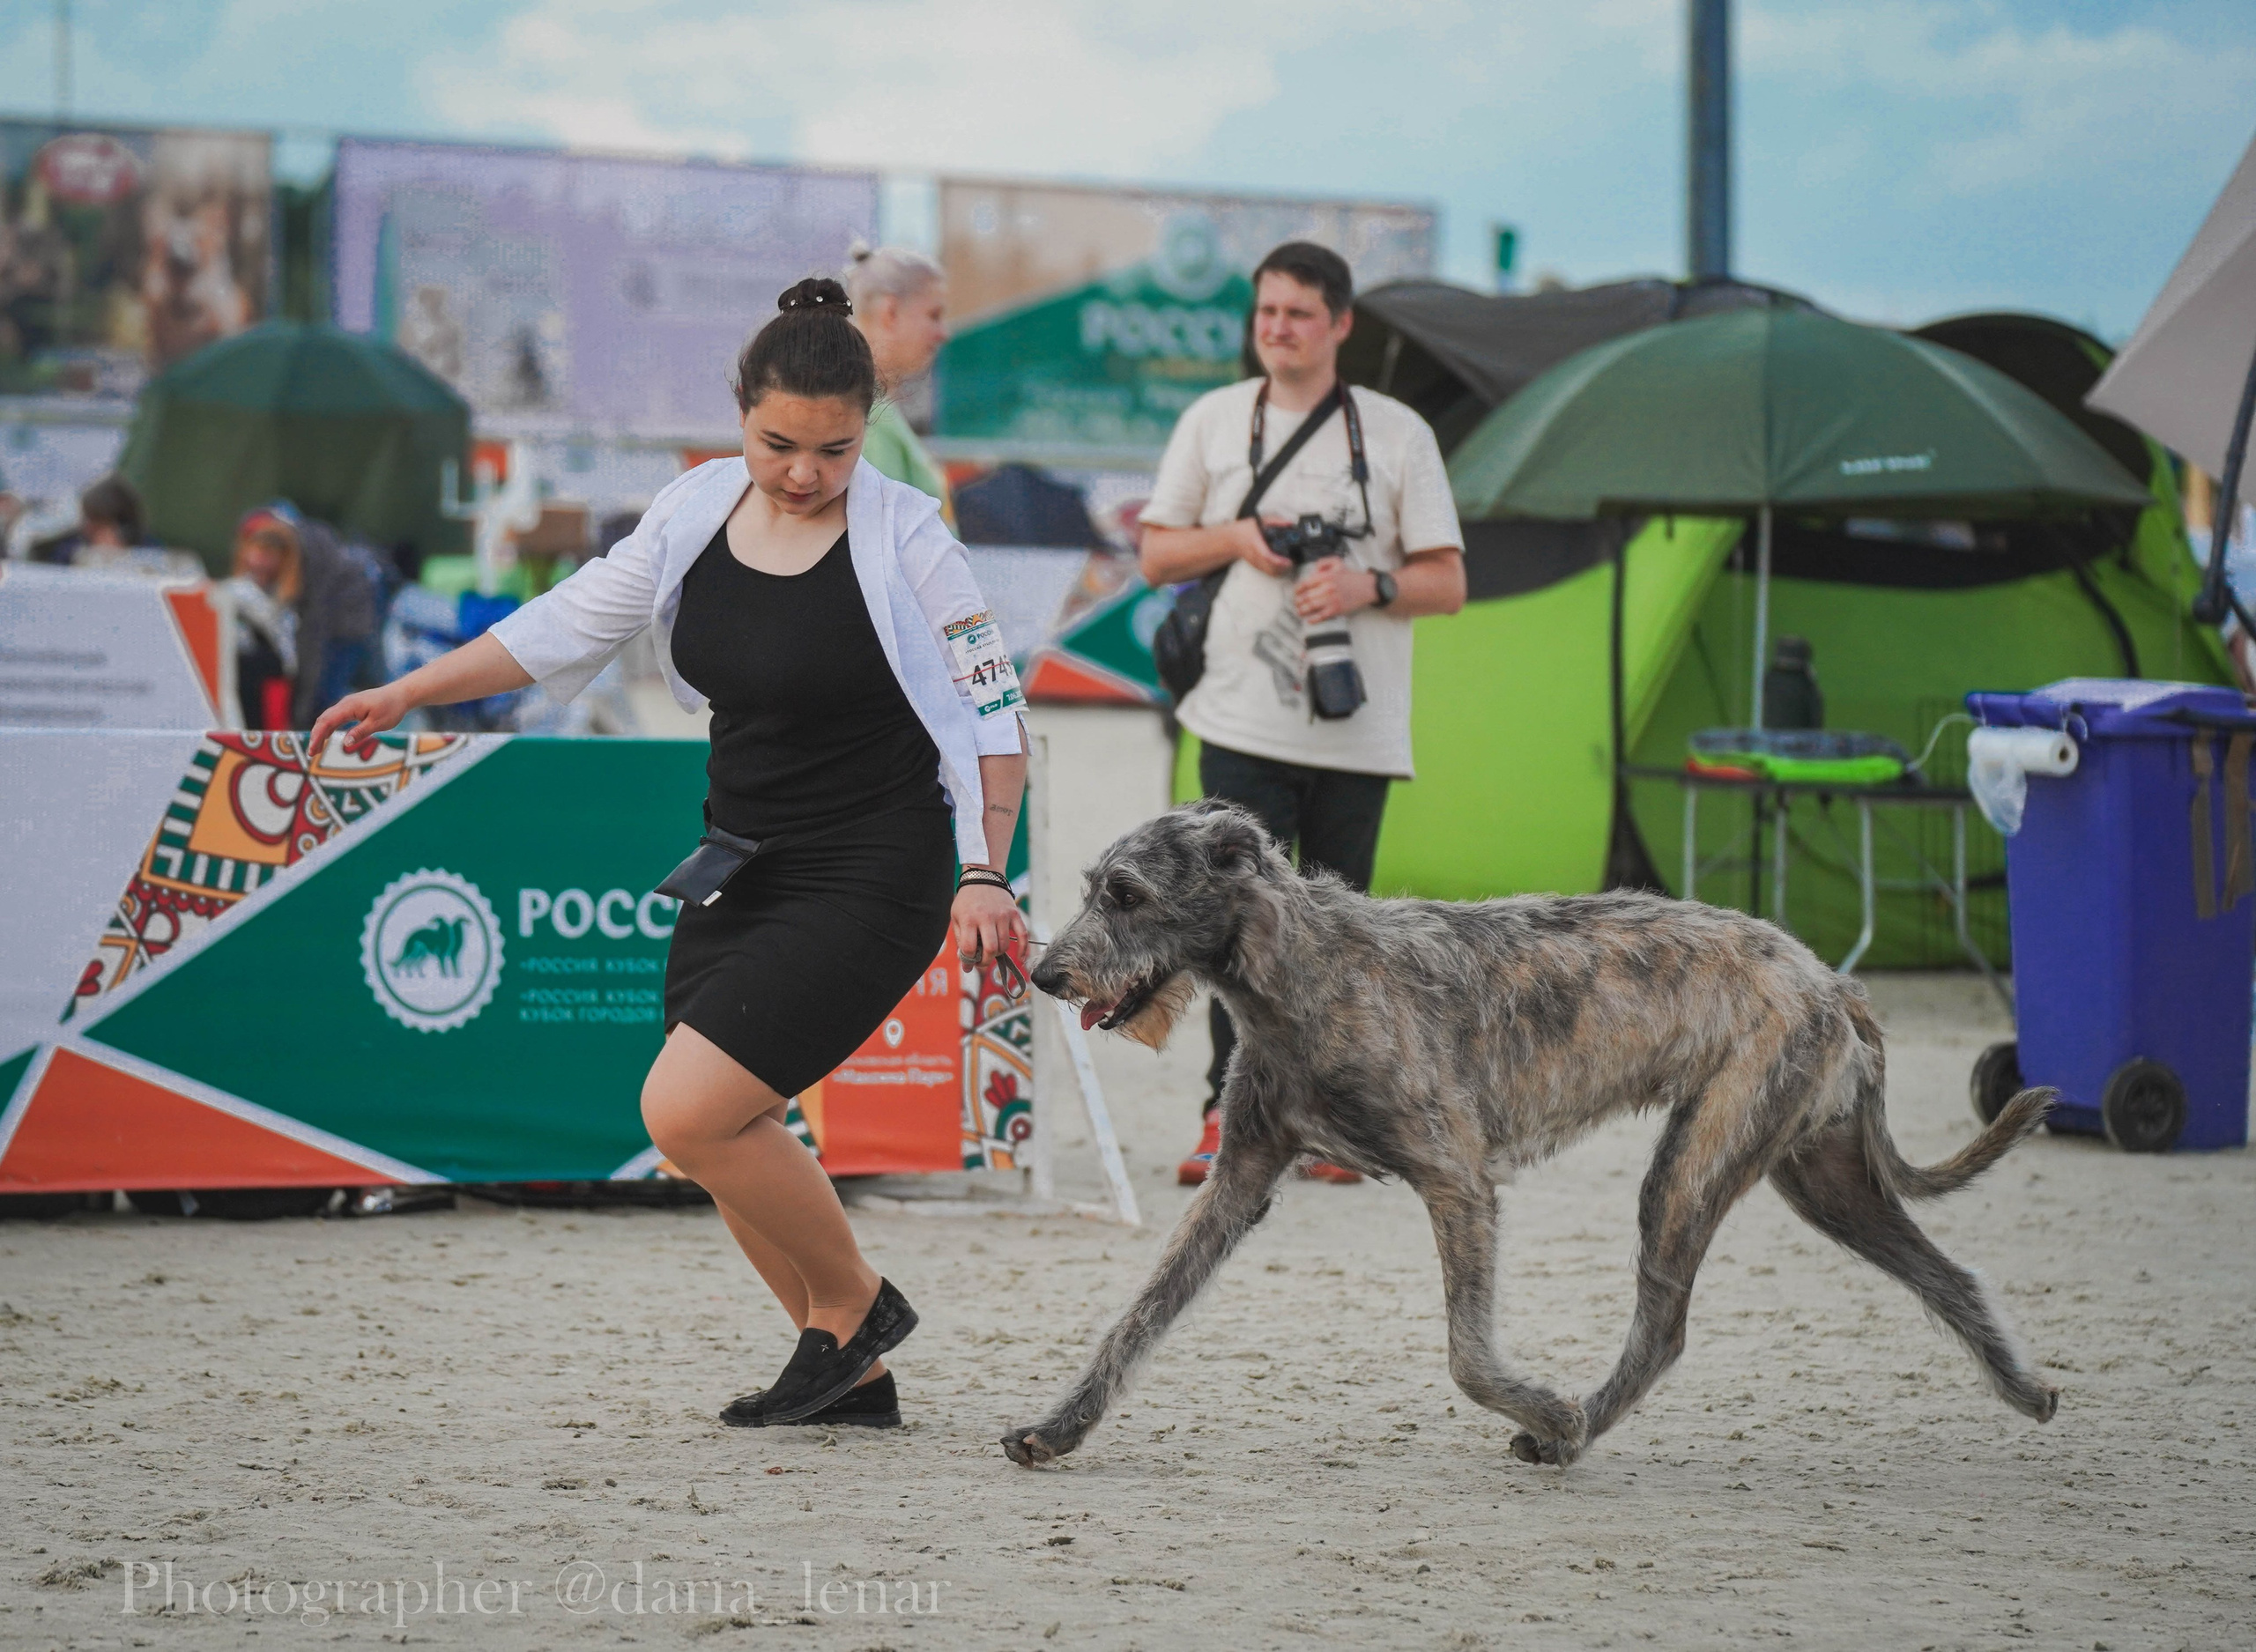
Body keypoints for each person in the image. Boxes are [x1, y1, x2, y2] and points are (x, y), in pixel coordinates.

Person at [311, 278, 1030, 1432]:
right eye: (777, 442)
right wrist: (405, 689)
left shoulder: (912, 542)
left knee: (686, 1111)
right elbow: (565, 622)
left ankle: (854, 1302)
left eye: (834, 449)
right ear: (739, 414)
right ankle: (847, 1368)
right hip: (741, 860)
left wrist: (985, 869)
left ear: (867, 427)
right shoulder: (694, 509)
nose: (803, 470)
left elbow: (995, 715)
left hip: (874, 870)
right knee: (722, 1128)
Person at [1138, 241, 1466, 1187]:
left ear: (1340, 325)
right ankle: (1223, 1116)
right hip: (1238, 716)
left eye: (1297, 315)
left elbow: (1447, 583)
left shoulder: (1396, 434)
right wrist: (1237, 536)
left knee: (1334, 935)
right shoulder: (1212, 420)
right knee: (1226, 926)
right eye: (1265, 313)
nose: (1277, 330)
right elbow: (1158, 556)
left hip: (1355, 726)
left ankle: (1331, 1124)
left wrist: (1367, 584)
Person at [844, 245, 953, 512]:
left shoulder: (874, 407)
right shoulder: (864, 417)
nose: (943, 334)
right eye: (933, 315)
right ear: (889, 312)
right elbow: (883, 539)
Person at [228, 503, 303, 730]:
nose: (262, 557)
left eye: (272, 551)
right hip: (237, 683)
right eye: (258, 547)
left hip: (271, 690)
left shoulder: (288, 601)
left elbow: (288, 661)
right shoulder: (233, 592)